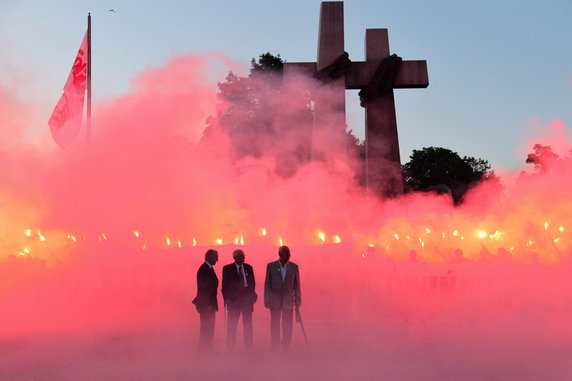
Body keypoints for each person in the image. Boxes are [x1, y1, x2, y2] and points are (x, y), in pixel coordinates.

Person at [264, 245, 301, 351]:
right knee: (275, 324)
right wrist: (267, 299)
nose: (288, 256)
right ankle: (275, 345)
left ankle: (286, 345)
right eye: (285, 254)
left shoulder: (294, 267)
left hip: (288, 301)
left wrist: (298, 301)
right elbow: (267, 284)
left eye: (289, 254)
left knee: (288, 325)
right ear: (279, 254)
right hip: (275, 301)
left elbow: (297, 286)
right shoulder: (271, 266)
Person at [222, 249, 257, 351]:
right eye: (241, 256)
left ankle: (248, 348)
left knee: (248, 326)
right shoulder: (227, 269)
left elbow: (252, 283)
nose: (243, 258)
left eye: (243, 256)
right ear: (235, 258)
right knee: (232, 325)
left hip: (247, 301)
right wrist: (226, 298)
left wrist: (252, 296)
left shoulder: (248, 268)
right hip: (234, 301)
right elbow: (225, 286)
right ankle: (230, 348)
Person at [192, 249, 219, 351]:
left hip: (210, 304)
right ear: (209, 257)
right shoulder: (204, 269)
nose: (217, 259)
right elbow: (203, 288)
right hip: (206, 305)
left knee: (209, 328)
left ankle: (207, 348)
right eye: (216, 257)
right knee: (206, 328)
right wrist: (207, 304)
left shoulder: (209, 268)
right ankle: (204, 349)